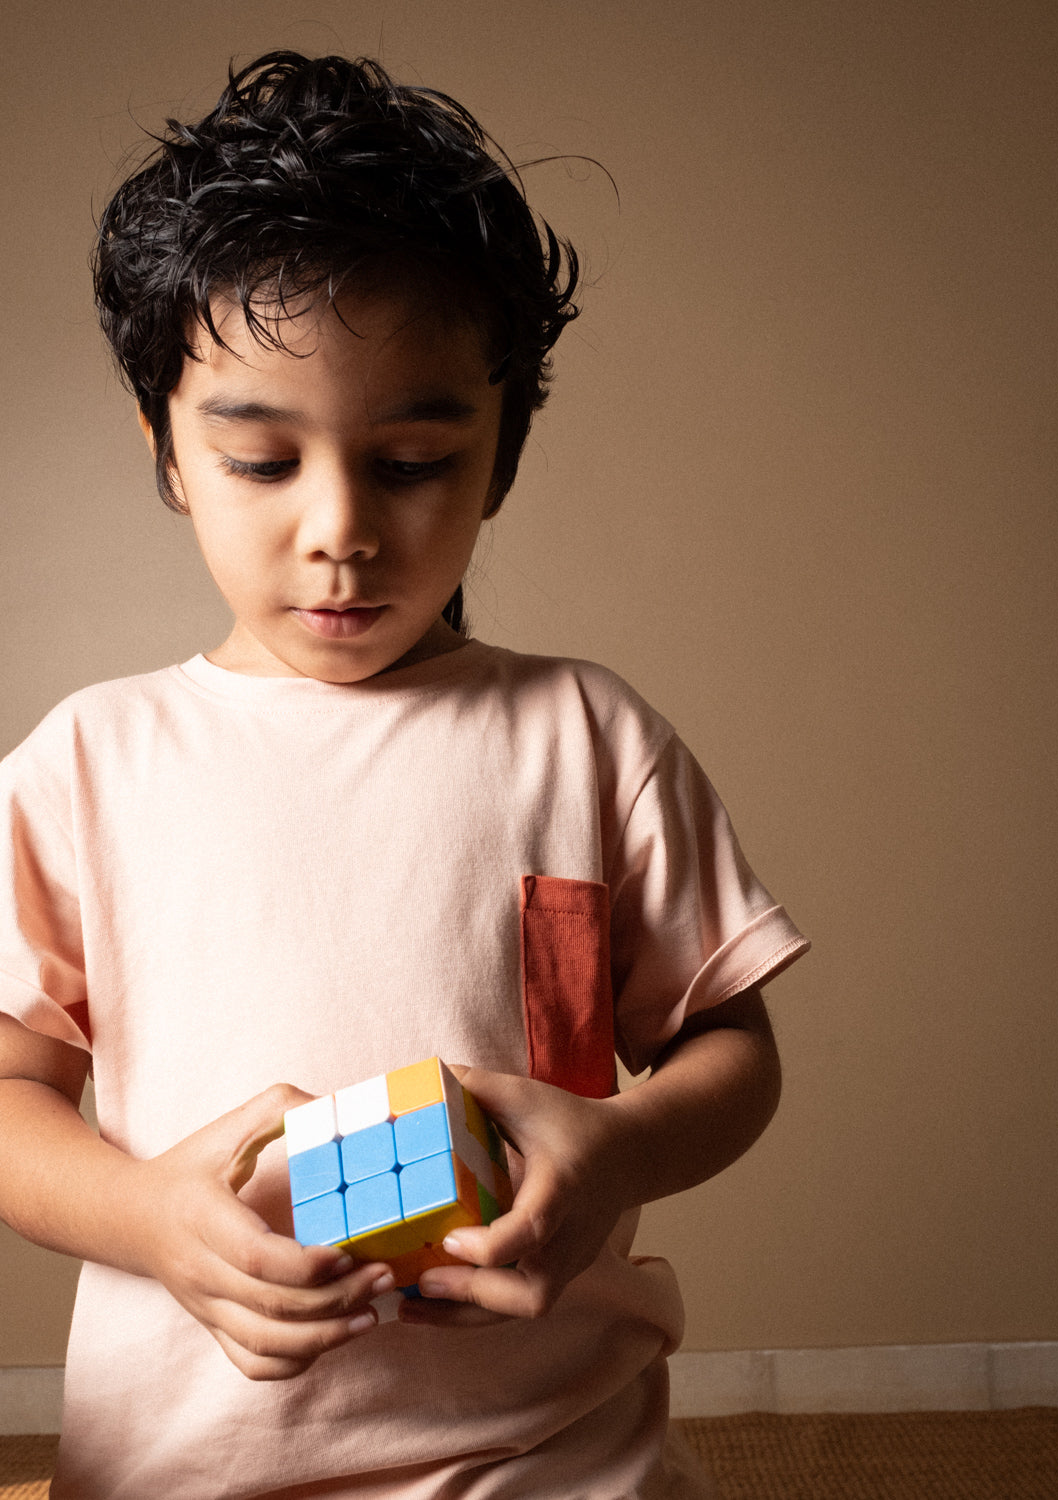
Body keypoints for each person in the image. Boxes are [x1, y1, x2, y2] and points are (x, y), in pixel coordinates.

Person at [0, 51, 808, 1498]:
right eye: (259, 461)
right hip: (191, 1465)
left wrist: (619, 1150)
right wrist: (145, 1218)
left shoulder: (586, 734)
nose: (341, 529)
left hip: (550, 1451)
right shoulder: (87, 763)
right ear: (169, 454)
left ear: (499, 456)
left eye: (416, 456)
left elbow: (731, 1053)